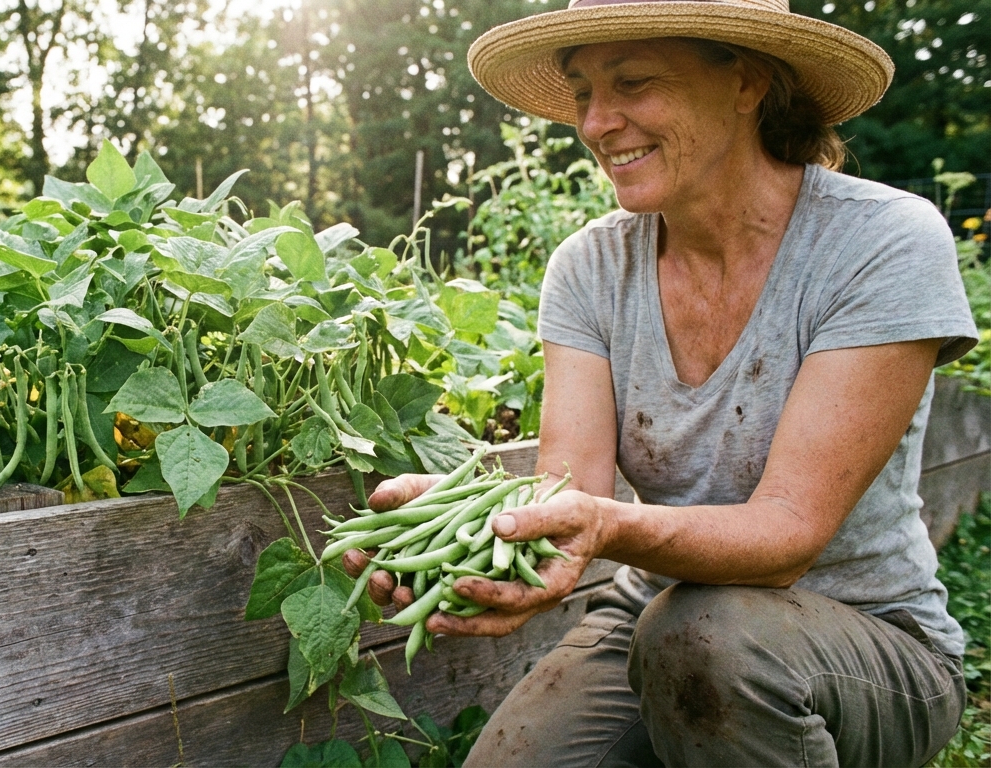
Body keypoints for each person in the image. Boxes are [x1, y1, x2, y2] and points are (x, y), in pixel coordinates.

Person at [343, 0, 976, 764]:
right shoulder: (590, 268)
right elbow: (563, 486)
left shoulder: (880, 242)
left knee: (710, 642)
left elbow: (787, 537)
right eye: (583, 93)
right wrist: (466, 530)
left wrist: (608, 526)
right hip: (657, 615)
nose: (597, 123)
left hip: (871, 642)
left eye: (634, 82)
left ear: (747, 83)